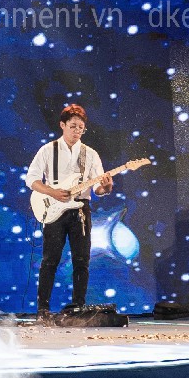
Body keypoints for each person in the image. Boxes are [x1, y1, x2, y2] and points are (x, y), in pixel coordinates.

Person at [24, 102, 112, 319]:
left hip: (80, 210)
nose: (77, 131)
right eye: (73, 126)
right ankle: (43, 309)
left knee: (82, 260)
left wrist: (106, 187)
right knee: (50, 260)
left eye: (81, 127)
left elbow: (98, 188)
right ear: (62, 125)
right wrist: (51, 192)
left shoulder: (90, 154)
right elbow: (31, 179)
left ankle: (78, 307)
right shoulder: (48, 150)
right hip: (53, 209)